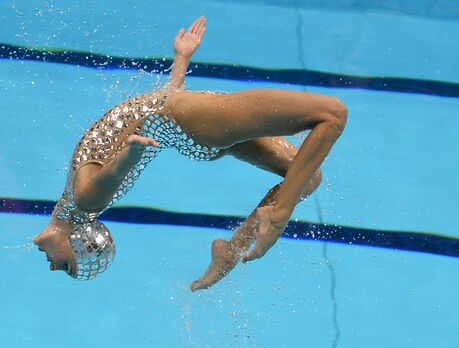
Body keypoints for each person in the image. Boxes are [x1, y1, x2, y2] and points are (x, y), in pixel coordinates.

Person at [33, 16, 346, 285]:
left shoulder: (77, 198)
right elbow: (117, 168)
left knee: (307, 176)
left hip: (189, 128)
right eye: (65, 266)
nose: (52, 265)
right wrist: (131, 152)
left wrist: (181, 59)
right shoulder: (87, 201)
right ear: (79, 242)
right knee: (332, 114)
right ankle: (276, 219)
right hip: (191, 122)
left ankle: (231, 250)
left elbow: (152, 114)